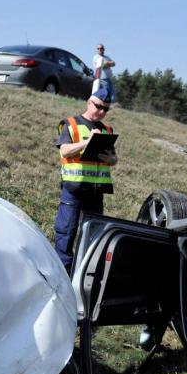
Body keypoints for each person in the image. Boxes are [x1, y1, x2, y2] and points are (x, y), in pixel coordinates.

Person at [53, 86, 118, 272]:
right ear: (89, 102)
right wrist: (86, 142)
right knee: (66, 232)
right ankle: (63, 273)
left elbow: (114, 158)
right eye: (98, 106)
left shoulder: (107, 129)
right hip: (74, 189)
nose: (102, 111)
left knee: (93, 236)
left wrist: (111, 159)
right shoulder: (70, 124)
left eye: (106, 109)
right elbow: (64, 150)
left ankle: (83, 273)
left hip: (96, 192)